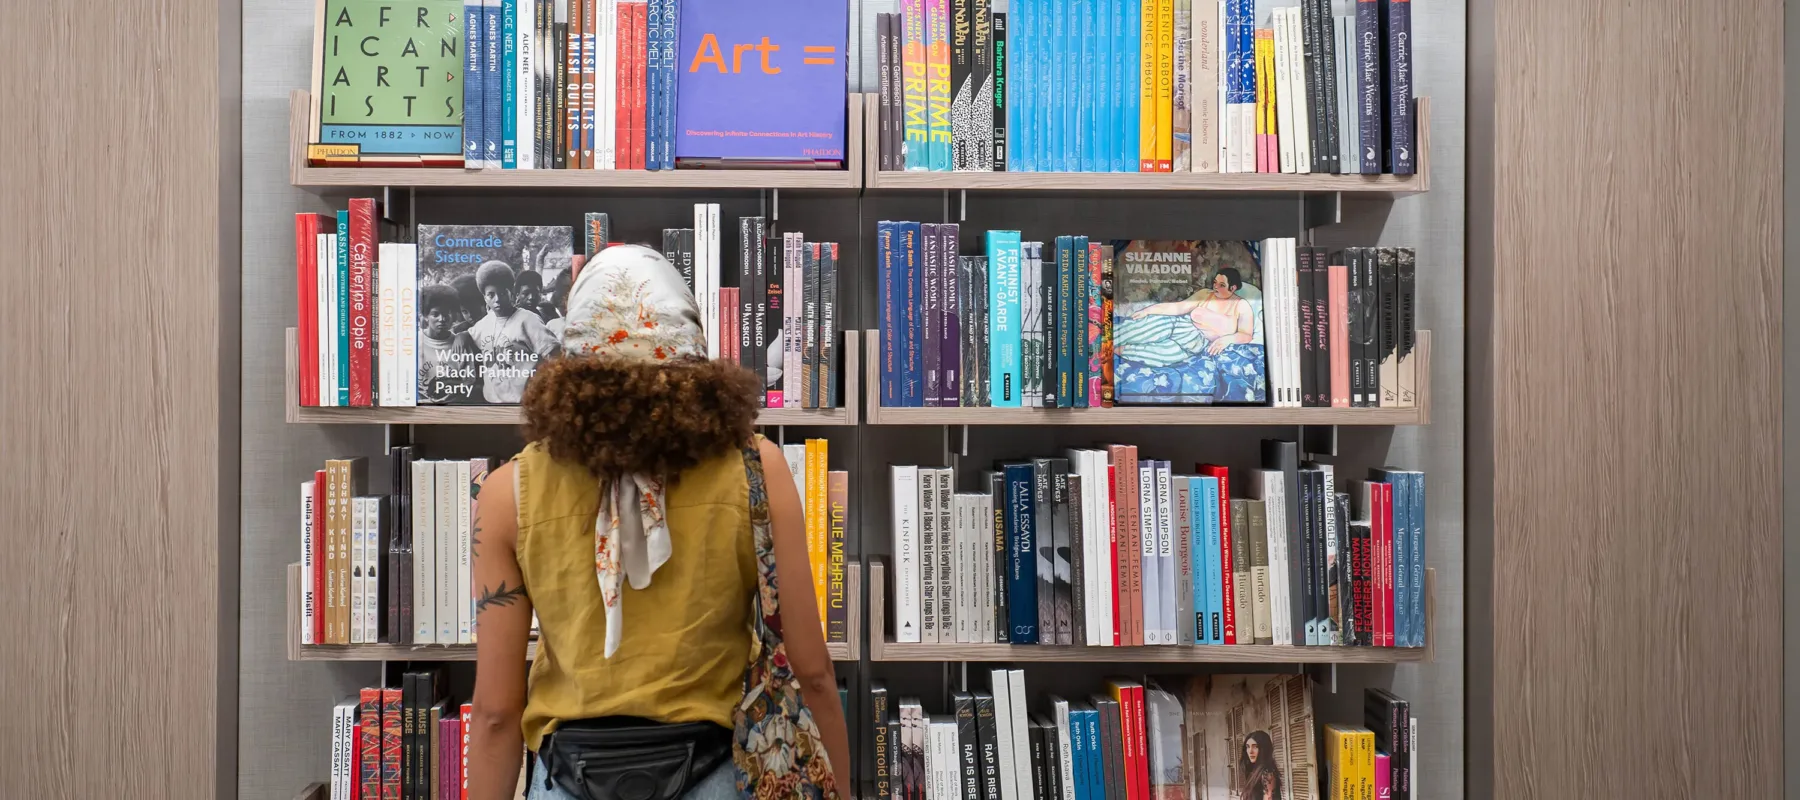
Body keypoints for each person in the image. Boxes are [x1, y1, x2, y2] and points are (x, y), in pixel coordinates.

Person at [465, 245, 850, 800]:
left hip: (569, 778)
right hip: (717, 774)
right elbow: (811, 673)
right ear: (695, 357)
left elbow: (498, 713)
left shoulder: (507, 492)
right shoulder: (757, 468)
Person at [467, 260, 561, 403]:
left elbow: (556, 355)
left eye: (503, 293)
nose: (497, 299)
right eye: (491, 295)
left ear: (512, 292)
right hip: (491, 404)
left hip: (523, 403)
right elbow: (469, 335)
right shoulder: (485, 323)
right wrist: (461, 338)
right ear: (484, 298)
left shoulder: (528, 320)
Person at [1128, 268, 1256, 356]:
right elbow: (1177, 308)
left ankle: (1122, 351)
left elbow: (1246, 335)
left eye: (1221, 285)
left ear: (1232, 288)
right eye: (1215, 283)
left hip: (1194, 343)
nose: (1215, 287)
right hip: (1178, 326)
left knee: (1154, 353)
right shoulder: (1205, 294)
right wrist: (1148, 310)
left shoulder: (1242, 305)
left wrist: (1227, 340)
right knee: (1141, 329)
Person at [417, 283, 477, 403]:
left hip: (453, 408)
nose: (442, 319)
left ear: (454, 316)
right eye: (435, 314)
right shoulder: (413, 343)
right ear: (425, 316)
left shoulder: (460, 344)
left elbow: (469, 382)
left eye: (446, 314)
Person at [1237, 730, 1282, 800]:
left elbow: (1269, 797)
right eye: (1248, 747)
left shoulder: (1267, 773)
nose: (1250, 751)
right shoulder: (1254, 772)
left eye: (1255, 747)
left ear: (1263, 749)